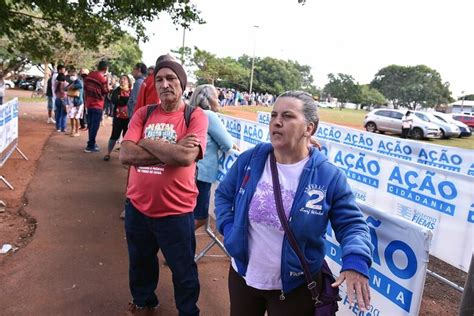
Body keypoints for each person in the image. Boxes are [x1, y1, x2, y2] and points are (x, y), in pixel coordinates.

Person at [215, 91, 373, 316]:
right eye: (273, 115)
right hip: (243, 277)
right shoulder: (251, 159)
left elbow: (352, 225)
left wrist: (356, 260)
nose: (277, 122)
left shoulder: (328, 176)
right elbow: (223, 195)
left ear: (309, 128)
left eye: (288, 116)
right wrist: (230, 229)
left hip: (295, 287)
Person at [119, 57, 208, 315]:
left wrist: (145, 141)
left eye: (171, 78)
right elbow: (126, 155)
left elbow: (185, 158)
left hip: (176, 212)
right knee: (140, 263)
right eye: (159, 79)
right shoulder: (143, 113)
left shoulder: (195, 115)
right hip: (137, 207)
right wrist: (172, 149)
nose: (165, 84)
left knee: (183, 270)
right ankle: (144, 301)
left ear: (182, 83)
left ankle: (188, 311)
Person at [189, 84, 238, 230]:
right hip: (202, 173)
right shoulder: (209, 115)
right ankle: (178, 244)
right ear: (208, 100)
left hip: (191, 170)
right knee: (199, 217)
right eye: (217, 97)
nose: (219, 101)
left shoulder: (191, 112)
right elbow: (227, 143)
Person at [103, 75, 132, 161]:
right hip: (118, 117)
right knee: (114, 135)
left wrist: (122, 99)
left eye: (124, 79)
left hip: (128, 118)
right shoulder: (117, 90)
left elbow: (131, 101)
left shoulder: (132, 91)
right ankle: (108, 153)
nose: (122, 80)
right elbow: (114, 100)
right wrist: (126, 100)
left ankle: (125, 156)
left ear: (128, 81)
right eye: (121, 79)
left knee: (127, 137)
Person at [83, 61, 110, 152]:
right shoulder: (102, 79)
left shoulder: (89, 75)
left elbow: (85, 88)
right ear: (106, 69)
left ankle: (91, 142)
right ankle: (90, 145)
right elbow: (106, 91)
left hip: (89, 103)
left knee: (91, 124)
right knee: (95, 125)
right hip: (98, 104)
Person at [66, 69, 84, 137]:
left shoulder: (79, 81)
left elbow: (80, 86)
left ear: (76, 75)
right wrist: (69, 87)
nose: (71, 77)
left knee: (76, 117)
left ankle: (77, 131)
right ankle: (72, 130)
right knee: (71, 117)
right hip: (72, 102)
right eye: (71, 75)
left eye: (73, 75)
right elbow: (65, 88)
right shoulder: (72, 82)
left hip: (78, 102)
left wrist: (71, 87)